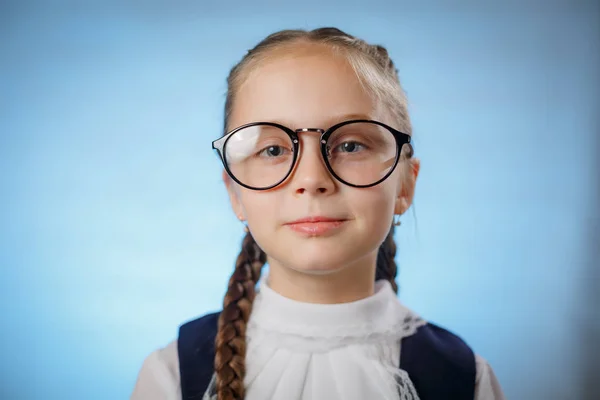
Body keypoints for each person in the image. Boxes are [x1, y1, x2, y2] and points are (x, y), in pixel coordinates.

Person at [131, 27, 505, 400]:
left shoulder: (464, 380)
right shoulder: (172, 377)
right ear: (235, 193)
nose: (311, 179)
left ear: (405, 185)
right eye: (274, 150)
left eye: (352, 144)